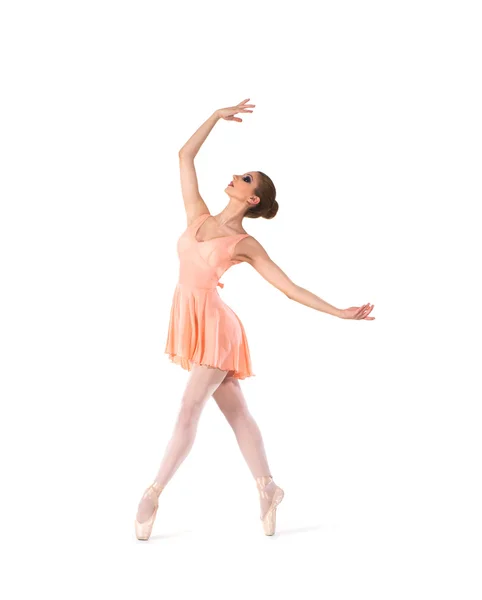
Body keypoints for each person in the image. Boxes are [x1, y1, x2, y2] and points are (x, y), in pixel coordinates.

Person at [134, 99, 375, 540]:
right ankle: (268, 487)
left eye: (246, 178)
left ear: (253, 198)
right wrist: (214, 117)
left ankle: (154, 491)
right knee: (238, 412)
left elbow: (289, 288)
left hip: (216, 329)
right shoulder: (198, 217)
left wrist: (340, 313)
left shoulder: (244, 243)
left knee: (190, 407)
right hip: (195, 320)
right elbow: (184, 156)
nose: (236, 177)